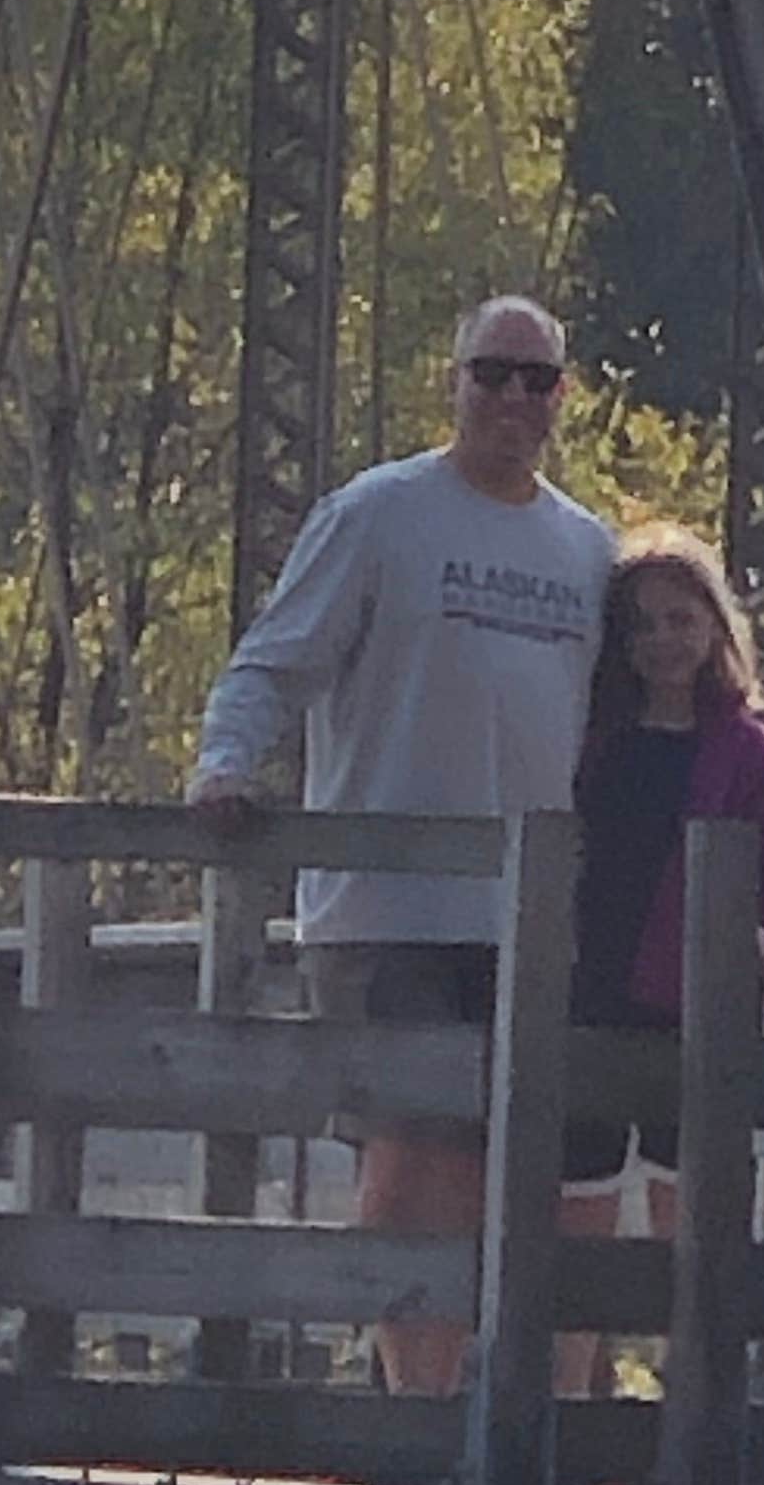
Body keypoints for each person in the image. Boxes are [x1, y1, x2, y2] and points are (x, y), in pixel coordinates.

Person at [188, 294, 613, 1392]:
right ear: (454, 382)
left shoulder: (584, 550)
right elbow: (275, 662)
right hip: (389, 907)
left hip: (531, 915)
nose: (513, 396)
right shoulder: (380, 516)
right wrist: (226, 764)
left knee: (541, 1175)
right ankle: (416, 1421)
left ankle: (526, 1424)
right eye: (492, 372)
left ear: (560, 396)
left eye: (536, 378)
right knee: (418, 1162)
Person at [563, 523, 764, 1244]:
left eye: (680, 619)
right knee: (576, 1216)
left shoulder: (744, 749)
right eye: (642, 625)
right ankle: (575, 1329)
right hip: (584, 998)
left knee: (689, 1227)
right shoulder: (591, 735)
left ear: (715, 625)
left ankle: (681, 1329)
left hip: (693, 1011)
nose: (663, 640)